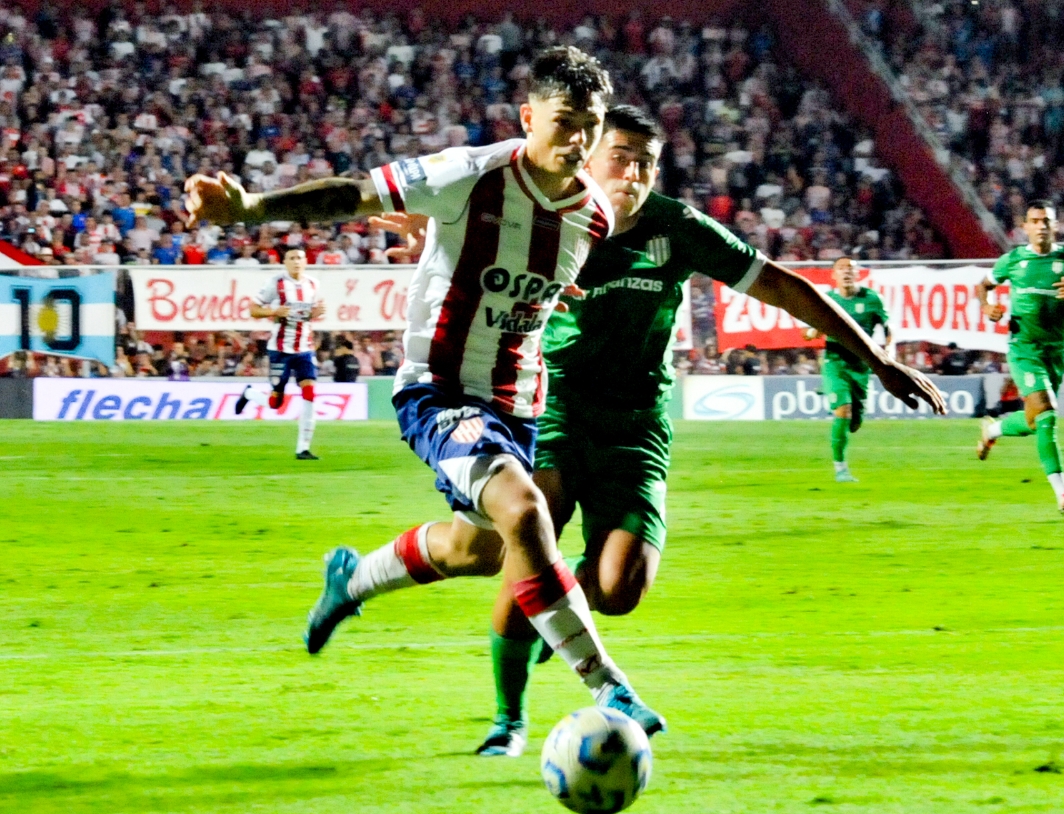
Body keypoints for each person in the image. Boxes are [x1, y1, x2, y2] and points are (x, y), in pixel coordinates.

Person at [374, 106, 945, 757]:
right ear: (589, 159)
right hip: (553, 412)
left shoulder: (677, 228)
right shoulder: (544, 217)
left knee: (619, 590)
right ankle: (509, 721)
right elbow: (472, 254)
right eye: (620, 157)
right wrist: (435, 238)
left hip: (638, 427)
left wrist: (878, 357)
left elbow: (782, 286)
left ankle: (566, 604)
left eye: (646, 162)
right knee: (527, 540)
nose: (633, 173)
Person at [184, 45, 666, 736]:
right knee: (525, 511)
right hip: (439, 391)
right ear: (528, 117)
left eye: (589, 125)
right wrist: (253, 207)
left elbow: (538, 283)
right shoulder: (471, 174)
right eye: (564, 122)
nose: (578, 139)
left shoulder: (591, 216)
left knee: (480, 551)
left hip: (517, 404)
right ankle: (609, 688)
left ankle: (351, 581)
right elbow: (355, 194)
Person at [975, 201, 1064, 512]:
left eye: (1046, 221)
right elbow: (984, 286)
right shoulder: (1014, 260)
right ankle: (1063, 493)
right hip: (1024, 348)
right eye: (1035, 221)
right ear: (1025, 227)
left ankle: (992, 430)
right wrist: (987, 307)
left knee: (1034, 421)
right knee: (1047, 413)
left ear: (1055, 226)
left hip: (1056, 351)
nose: (1041, 226)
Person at [804, 257, 892, 482]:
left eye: (850, 269)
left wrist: (888, 353)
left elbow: (888, 329)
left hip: (861, 366)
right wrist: (813, 332)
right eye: (841, 269)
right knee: (843, 411)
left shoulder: (872, 299)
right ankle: (840, 469)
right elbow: (806, 332)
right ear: (833, 275)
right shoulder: (826, 300)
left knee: (854, 422)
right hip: (834, 362)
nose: (846, 272)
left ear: (858, 274)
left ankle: (833, 392)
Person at [233, 247, 326, 459]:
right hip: (280, 350)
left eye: (299, 258)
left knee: (310, 392)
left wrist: (316, 313)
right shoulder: (276, 283)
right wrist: (274, 311)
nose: (296, 261)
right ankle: (249, 393)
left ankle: (303, 448)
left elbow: (307, 314)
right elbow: (253, 309)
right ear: (285, 262)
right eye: (292, 258)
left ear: (306, 262)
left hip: (304, 348)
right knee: (276, 402)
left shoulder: (313, 284)